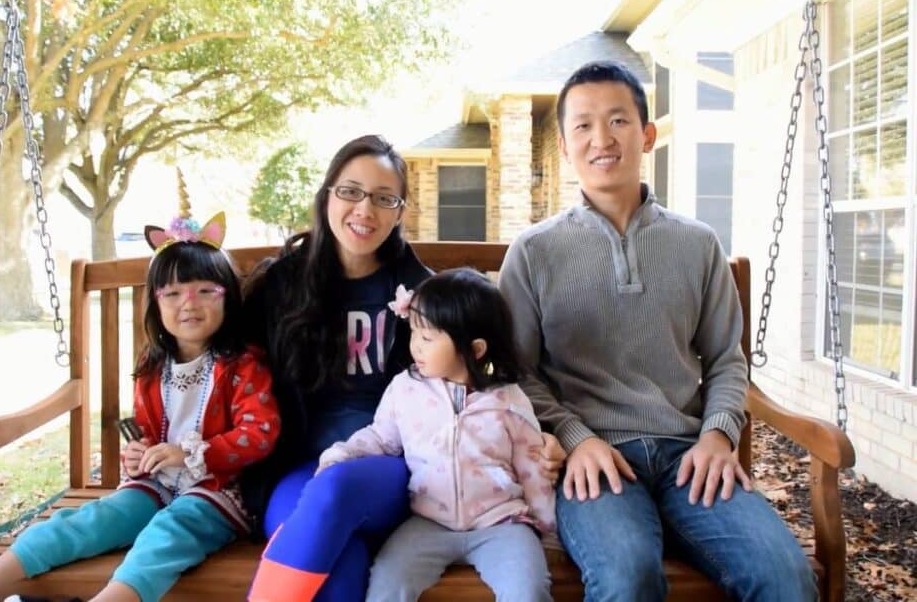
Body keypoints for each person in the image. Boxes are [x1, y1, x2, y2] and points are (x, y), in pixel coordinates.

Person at [498, 61, 817, 601]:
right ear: (564, 142)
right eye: (583, 125)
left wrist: (719, 432)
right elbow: (517, 374)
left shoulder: (697, 244)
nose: (602, 138)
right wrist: (576, 439)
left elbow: (725, 358)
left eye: (619, 120)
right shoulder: (533, 252)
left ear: (646, 135)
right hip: (594, 462)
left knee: (786, 577)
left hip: (687, 456)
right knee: (627, 578)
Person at [242, 135, 565, 602]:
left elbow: (480, 379)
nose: (364, 210)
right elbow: (230, 365)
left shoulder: (422, 296)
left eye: (383, 198)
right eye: (350, 191)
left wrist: (543, 433)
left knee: (336, 490)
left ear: (400, 212)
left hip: (393, 468)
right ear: (327, 195)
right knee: (342, 558)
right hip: (300, 468)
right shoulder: (282, 285)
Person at [0, 212, 279, 602]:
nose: (190, 304)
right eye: (172, 293)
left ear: (228, 298)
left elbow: (260, 434)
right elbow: (148, 431)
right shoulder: (153, 368)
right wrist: (139, 453)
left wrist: (187, 455)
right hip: (157, 484)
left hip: (218, 492)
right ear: (156, 303)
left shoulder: (243, 365)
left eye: (206, 291)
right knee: (92, 520)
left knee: (167, 536)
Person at [317, 268, 554, 602]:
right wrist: (341, 455)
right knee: (386, 583)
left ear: (475, 349)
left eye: (427, 338)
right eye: (414, 332)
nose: (416, 346)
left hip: (502, 523)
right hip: (428, 521)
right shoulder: (405, 389)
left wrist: (548, 530)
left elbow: (532, 468)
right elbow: (381, 438)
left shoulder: (509, 399)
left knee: (528, 591)